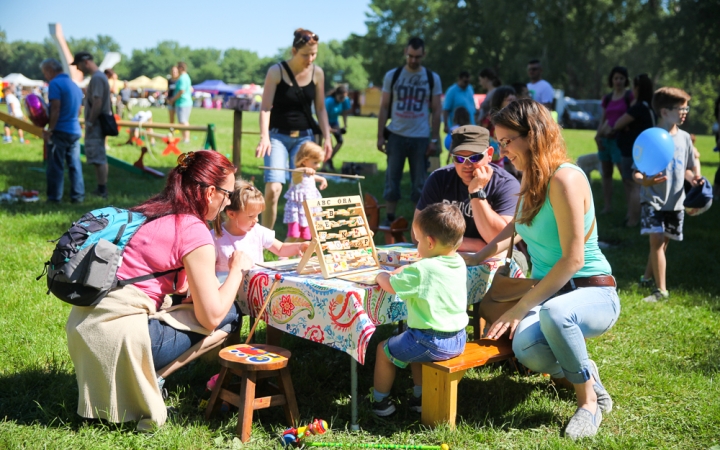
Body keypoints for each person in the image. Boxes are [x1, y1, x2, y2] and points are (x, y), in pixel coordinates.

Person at [464, 99, 620, 439]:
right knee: (527, 350)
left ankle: (588, 403)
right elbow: (515, 227)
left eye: (506, 142)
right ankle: (585, 370)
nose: (502, 152)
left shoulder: (565, 178)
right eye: (500, 143)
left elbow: (573, 260)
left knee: (555, 315)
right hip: (550, 294)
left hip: (592, 290)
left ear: (532, 135)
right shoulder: (530, 178)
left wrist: (520, 309)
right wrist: (479, 257)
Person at [65, 150, 249, 430]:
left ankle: (136, 377)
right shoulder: (194, 229)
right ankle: (152, 380)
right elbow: (211, 316)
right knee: (230, 314)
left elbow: (163, 275)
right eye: (228, 194)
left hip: (85, 327)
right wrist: (237, 270)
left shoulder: (152, 211)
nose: (227, 203)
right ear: (211, 192)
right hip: (119, 337)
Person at [371, 203, 468, 417]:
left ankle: (380, 401)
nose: (416, 247)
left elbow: (390, 285)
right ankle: (420, 398)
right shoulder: (458, 262)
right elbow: (426, 273)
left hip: (429, 341)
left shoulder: (422, 270)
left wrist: (380, 275)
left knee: (383, 350)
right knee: (415, 347)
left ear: (430, 243)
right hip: (458, 339)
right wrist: (409, 269)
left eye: (417, 240)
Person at [255, 28, 333, 230]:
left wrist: (327, 137)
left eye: (314, 54)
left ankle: (302, 238)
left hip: (304, 139)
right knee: (273, 188)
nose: (310, 59)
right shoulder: (276, 71)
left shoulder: (317, 73)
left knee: (305, 188)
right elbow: (265, 107)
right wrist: (264, 137)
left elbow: (321, 108)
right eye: (306, 54)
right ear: (293, 51)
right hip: (277, 136)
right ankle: (267, 239)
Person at [635, 87, 702, 303]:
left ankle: (646, 278)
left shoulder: (684, 138)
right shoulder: (649, 138)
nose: (685, 112)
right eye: (681, 109)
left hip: (675, 201)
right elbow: (636, 172)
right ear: (664, 112)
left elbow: (689, 168)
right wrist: (645, 181)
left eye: (686, 108)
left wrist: (694, 179)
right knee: (656, 241)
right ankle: (661, 291)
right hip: (652, 199)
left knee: (662, 243)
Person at [415, 125, 521, 262]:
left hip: (500, 256)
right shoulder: (439, 178)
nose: (466, 165)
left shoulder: (506, 184)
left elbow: (500, 240)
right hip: (448, 253)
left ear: (489, 154)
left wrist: (476, 192)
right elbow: (418, 233)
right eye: (459, 159)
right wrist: (475, 245)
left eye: (475, 157)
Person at [377, 37, 443, 224]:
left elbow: (437, 110)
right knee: (392, 177)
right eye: (410, 56)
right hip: (396, 134)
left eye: (418, 57)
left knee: (420, 183)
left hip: (421, 137)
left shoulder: (432, 78)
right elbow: (383, 107)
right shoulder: (393, 75)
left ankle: (418, 222)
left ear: (424, 55)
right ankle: (390, 218)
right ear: (405, 52)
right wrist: (380, 135)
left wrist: (434, 139)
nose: (413, 60)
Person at [213, 180, 310, 277]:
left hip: (257, 288)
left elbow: (280, 249)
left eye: (257, 215)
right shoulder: (214, 238)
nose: (256, 220)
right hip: (230, 290)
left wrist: (299, 247)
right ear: (231, 214)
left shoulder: (257, 231)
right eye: (251, 216)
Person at [40, 58, 85, 204]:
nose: (45, 76)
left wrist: (50, 129)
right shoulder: (74, 85)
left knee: (55, 166)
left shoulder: (55, 83)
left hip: (60, 130)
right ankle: (78, 196)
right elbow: (79, 110)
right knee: (75, 165)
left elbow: (55, 108)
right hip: (74, 130)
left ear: (50, 70)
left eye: (45, 73)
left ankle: (54, 198)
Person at [613, 73, 655, 227]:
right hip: (646, 150)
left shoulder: (638, 108)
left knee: (633, 185)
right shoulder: (650, 106)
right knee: (638, 185)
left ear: (637, 88)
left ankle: (632, 220)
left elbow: (618, 124)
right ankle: (632, 215)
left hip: (633, 151)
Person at [72, 52, 111, 199]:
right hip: (99, 122)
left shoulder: (97, 78)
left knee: (98, 156)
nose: (78, 68)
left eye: (78, 65)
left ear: (86, 62)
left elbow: (98, 102)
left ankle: (102, 190)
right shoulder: (99, 77)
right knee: (98, 156)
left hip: (97, 123)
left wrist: (90, 121)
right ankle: (101, 187)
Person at [595, 66, 634, 215]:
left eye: (621, 78)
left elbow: (632, 117)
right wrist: (598, 136)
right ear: (611, 80)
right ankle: (607, 207)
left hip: (620, 140)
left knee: (625, 175)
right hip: (605, 140)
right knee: (606, 174)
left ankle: (631, 209)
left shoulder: (629, 97)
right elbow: (603, 118)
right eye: (616, 78)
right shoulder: (607, 98)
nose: (618, 81)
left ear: (626, 80)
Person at [283, 142, 328, 242]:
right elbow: (295, 173)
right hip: (297, 210)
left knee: (305, 237)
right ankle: (283, 256)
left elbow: (312, 177)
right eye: (315, 162)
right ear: (304, 161)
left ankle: (297, 254)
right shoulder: (298, 175)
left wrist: (322, 179)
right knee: (293, 235)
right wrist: (304, 169)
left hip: (308, 211)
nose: (318, 165)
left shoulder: (310, 174)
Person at [324, 85, 351, 172]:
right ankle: (324, 167)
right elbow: (323, 115)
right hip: (326, 122)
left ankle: (329, 158)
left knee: (340, 141)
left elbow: (345, 113)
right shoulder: (329, 101)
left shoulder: (345, 100)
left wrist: (345, 125)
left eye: (344, 97)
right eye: (341, 97)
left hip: (335, 122)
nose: (343, 99)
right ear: (336, 94)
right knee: (329, 145)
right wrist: (328, 128)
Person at [167, 62, 193, 143]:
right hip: (183, 102)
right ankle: (185, 138)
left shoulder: (182, 78)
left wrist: (173, 99)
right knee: (183, 121)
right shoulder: (185, 77)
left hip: (183, 102)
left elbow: (181, 90)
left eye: (178, 68)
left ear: (181, 68)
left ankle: (186, 139)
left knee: (183, 122)